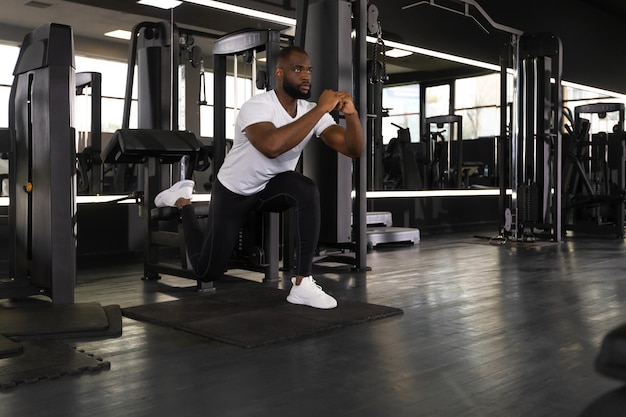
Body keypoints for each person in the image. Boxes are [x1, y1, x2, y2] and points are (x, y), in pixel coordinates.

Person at [154, 45, 364, 309]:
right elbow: (272, 146)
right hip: (234, 191)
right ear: (279, 73)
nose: (306, 76)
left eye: (309, 70)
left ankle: (302, 283)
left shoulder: (310, 110)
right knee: (207, 271)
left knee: (306, 189)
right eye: (298, 69)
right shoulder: (257, 106)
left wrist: (352, 116)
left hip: (269, 187)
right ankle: (183, 201)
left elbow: (353, 149)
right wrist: (321, 110)